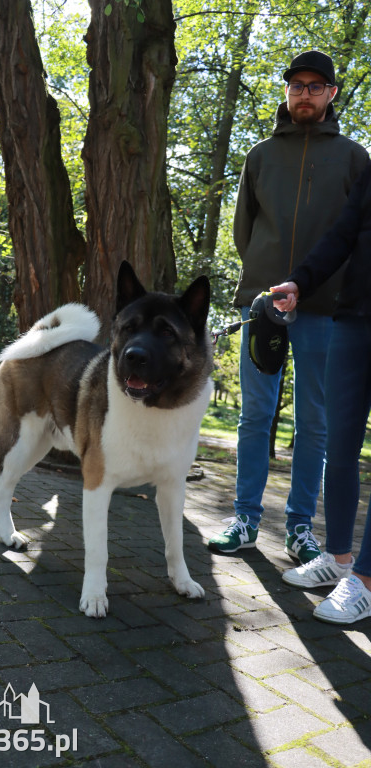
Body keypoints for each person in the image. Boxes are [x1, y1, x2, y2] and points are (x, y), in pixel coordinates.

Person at [208, 51, 369, 562]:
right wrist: (264, 280)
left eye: (316, 86)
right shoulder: (259, 155)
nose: (304, 93)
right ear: (287, 92)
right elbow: (243, 228)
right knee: (255, 415)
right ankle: (245, 519)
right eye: (297, 85)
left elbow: (357, 236)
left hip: (326, 310)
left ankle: (300, 528)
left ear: (332, 95)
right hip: (264, 305)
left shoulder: (354, 157)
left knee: (314, 422)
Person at [271, 160, 371, 624]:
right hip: (352, 319)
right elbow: (342, 234)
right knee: (341, 446)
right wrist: (301, 280)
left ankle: (366, 582)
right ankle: (339, 559)